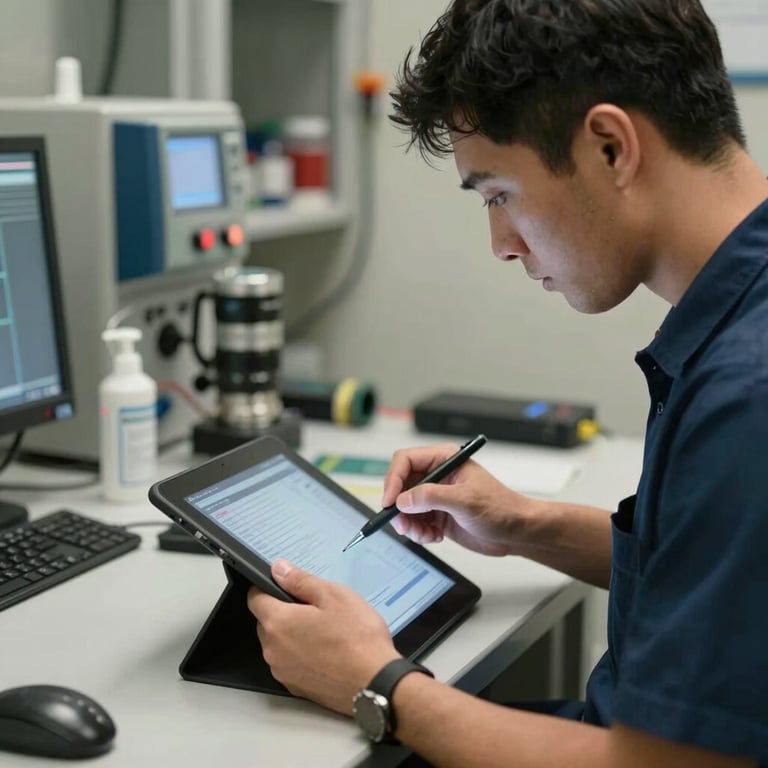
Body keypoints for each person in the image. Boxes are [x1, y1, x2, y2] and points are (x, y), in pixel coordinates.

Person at [247, 1, 768, 765]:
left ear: (609, 147)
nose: (500, 243)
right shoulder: (740, 320)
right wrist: (525, 523)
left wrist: (377, 683)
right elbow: (715, 573)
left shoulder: (746, 396)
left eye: (497, 194)